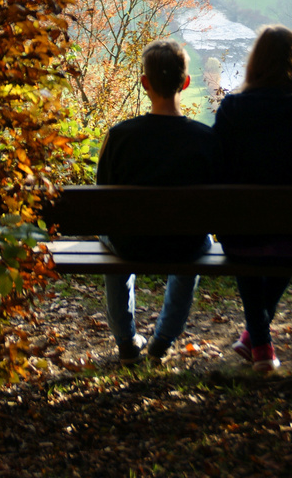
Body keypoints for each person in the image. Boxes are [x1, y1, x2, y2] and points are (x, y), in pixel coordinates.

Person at [214, 24, 292, 373]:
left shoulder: (232, 110)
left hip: (242, 240)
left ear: (255, 64)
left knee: (248, 236)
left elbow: (216, 167)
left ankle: (259, 345)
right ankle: (258, 342)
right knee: (289, 235)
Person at [96, 38, 221, 365]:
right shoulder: (206, 140)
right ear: (186, 82)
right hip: (186, 246)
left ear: (144, 83)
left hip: (131, 246)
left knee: (112, 236)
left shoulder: (120, 136)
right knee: (199, 239)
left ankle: (126, 340)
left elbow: (102, 199)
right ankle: (163, 340)